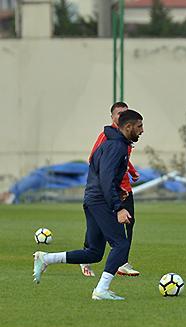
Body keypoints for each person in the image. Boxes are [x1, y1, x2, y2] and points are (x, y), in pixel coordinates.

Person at [32, 110, 144, 300]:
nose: (142, 130)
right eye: (139, 126)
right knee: (121, 244)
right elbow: (106, 178)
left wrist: (116, 192)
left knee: (93, 253)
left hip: (93, 199)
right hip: (100, 201)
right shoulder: (116, 146)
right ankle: (101, 290)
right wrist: (118, 207)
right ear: (128, 127)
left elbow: (99, 171)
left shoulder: (114, 144)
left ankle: (46, 258)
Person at [80, 101, 141, 278]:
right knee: (98, 227)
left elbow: (122, 159)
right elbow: (94, 159)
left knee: (129, 222)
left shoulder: (125, 137)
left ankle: (122, 262)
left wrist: (131, 170)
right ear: (112, 117)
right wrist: (107, 182)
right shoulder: (107, 137)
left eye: (125, 113)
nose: (122, 116)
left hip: (124, 187)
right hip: (110, 189)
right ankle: (87, 255)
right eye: (119, 113)